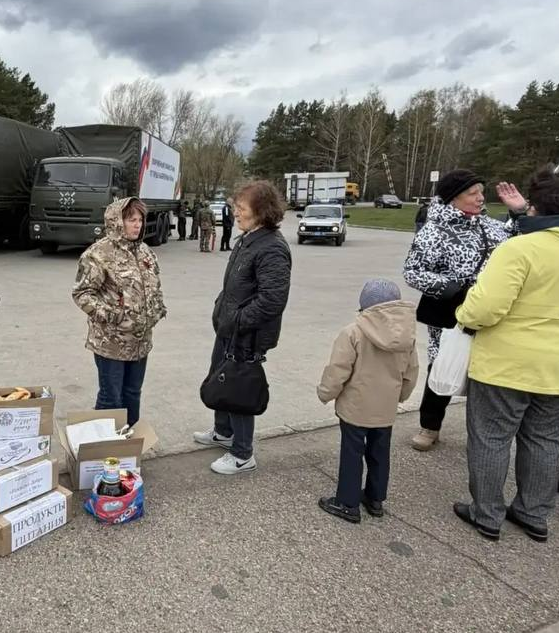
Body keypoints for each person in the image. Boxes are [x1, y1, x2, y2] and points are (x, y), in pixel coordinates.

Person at [453, 167, 559, 543]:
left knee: (491, 437)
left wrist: (464, 310)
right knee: (546, 441)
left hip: (506, 366)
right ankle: (534, 513)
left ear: (536, 208)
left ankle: (486, 512)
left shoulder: (519, 249)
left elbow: (483, 310)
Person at [403, 169, 524, 451]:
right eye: (473, 193)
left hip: (491, 314)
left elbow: (517, 242)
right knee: (443, 368)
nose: (481, 197)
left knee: (486, 373)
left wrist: (518, 214)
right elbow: (412, 272)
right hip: (450, 315)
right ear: (452, 198)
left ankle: (484, 432)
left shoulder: (489, 226)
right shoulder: (433, 232)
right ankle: (430, 426)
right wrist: (456, 288)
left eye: (482, 191)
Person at [194, 179, 291, 475]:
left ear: (261, 211)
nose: (235, 213)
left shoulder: (272, 247)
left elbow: (272, 300)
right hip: (229, 329)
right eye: (235, 207)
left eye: (241, 208)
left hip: (246, 335)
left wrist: (237, 320)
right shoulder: (249, 238)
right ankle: (223, 432)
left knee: (238, 390)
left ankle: (242, 453)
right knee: (220, 378)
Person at [315, 279, 419, 523]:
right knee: (379, 453)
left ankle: (347, 502)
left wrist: (325, 392)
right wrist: (399, 396)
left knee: (352, 453)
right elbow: (411, 372)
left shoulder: (353, 332)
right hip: (385, 408)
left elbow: (338, 369)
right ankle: (375, 498)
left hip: (356, 406)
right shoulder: (407, 336)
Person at [72, 197, 166, 427]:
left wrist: (156, 307)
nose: (138, 225)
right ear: (116, 222)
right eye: (131, 220)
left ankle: (128, 442)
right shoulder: (98, 254)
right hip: (111, 342)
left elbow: (153, 286)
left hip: (140, 341)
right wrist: (112, 315)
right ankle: (103, 447)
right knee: (111, 397)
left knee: (133, 393)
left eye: (140, 220)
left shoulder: (145, 252)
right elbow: (82, 293)